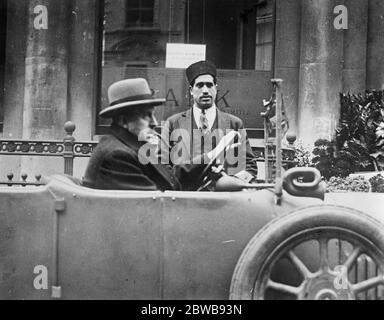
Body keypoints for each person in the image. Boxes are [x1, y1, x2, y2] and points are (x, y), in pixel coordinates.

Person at [83, 78, 238, 191]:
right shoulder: (117, 155)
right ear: (124, 120)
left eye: (154, 115)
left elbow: (169, 178)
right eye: (146, 116)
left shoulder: (128, 146)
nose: (154, 123)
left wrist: (210, 156)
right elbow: (157, 203)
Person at [162, 60, 258, 181]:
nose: (205, 90)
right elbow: (163, 167)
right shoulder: (173, 123)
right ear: (191, 90)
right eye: (200, 85)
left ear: (216, 89)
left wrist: (233, 181)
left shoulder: (234, 124)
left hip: (221, 196)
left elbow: (250, 167)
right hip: (185, 195)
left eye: (209, 85)